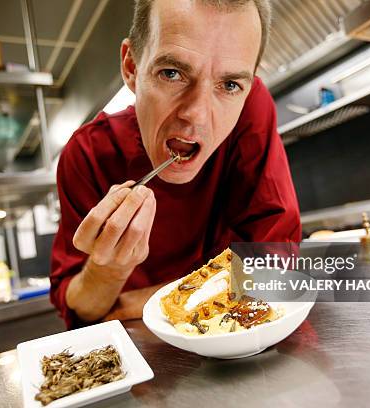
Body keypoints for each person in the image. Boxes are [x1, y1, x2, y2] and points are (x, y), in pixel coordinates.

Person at [50, 0, 301, 329]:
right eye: (172, 73)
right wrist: (107, 270)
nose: (196, 115)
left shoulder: (251, 109)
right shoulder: (87, 153)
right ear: (131, 67)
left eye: (229, 85)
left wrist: (152, 301)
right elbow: (82, 307)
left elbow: (276, 263)